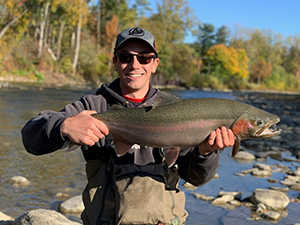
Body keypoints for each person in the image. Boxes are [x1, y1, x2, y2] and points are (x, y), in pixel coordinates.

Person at [22, 27, 235, 225]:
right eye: (125, 57)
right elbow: (31, 137)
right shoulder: (94, 106)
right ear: (115, 62)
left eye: (144, 58)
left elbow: (196, 178)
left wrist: (205, 153)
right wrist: (64, 126)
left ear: (155, 64)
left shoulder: (177, 110)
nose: (135, 65)